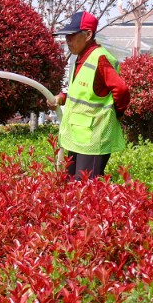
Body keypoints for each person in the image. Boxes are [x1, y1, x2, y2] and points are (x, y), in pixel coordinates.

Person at [51, 10, 130, 181]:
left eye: (72, 36)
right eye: (66, 36)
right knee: (71, 189)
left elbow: (122, 91)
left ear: (88, 35)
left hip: (93, 139)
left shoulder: (100, 59)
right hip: (78, 137)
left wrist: (117, 114)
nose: (68, 41)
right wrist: (62, 98)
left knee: (86, 192)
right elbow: (83, 92)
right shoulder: (81, 58)